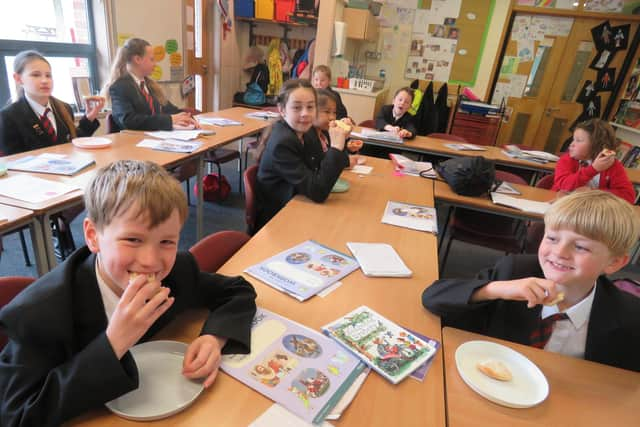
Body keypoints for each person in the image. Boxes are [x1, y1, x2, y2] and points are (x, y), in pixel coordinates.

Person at [0, 160, 257, 426]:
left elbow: (237, 291)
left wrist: (214, 338)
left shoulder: (177, 272)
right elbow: (16, 416)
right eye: (132, 240)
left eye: (167, 241)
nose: (150, 261)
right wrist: (114, 342)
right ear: (93, 236)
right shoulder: (38, 315)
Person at [423, 190, 640, 372]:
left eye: (581, 247)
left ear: (613, 263)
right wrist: (494, 289)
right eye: (552, 238)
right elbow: (433, 298)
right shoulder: (515, 271)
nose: (559, 252)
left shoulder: (629, 314)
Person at [255, 79, 350, 232]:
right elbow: (318, 191)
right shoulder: (283, 143)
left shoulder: (308, 132)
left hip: (300, 203)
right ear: (282, 109)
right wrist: (336, 148)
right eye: (297, 107)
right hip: (277, 220)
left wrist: (341, 142)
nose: (305, 113)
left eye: (310, 107)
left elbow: (326, 167)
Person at [0, 50, 103, 155]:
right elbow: (12, 161)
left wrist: (89, 118)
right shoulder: (9, 116)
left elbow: (73, 142)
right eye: (35, 75)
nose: (45, 80)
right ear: (18, 79)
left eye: (48, 75)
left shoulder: (65, 108)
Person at [104, 38, 197, 131]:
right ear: (137, 59)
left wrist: (186, 117)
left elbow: (169, 109)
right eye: (152, 59)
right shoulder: (119, 87)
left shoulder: (149, 85)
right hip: (134, 142)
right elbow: (128, 121)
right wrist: (170, 120)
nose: (155, 64)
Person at [552, 119, 635, 204]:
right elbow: (564, 186)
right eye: (573, 139)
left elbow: (628, 196)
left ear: (596, 145)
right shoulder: (566, 160)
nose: (571, 144)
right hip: (563, 206)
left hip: (593, 211)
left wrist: (592, 192)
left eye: (578, 140)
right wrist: (593, 169)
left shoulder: (611, 164)